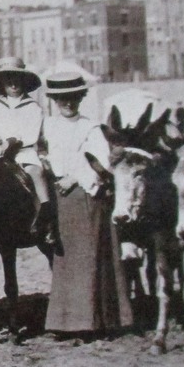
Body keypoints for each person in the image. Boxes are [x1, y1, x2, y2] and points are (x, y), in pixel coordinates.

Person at [41, 69, 132, 336]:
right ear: (54, 102)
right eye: (61, 100)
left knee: (88, 257)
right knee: (65, 258)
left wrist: (74, 178)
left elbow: (101, 163)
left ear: (80, 98)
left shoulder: (90, 127)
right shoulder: (49, 126)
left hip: (86, 197)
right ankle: (64, 322)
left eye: (72, 98)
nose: (67, 104)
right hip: (61, 198)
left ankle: (90, 322)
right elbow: (43, 155)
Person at [0, 56, 52, 241]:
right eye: (8, 79)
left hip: (22, 152)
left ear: (24, 81)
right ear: (2, 83)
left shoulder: (32, 107)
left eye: (17, 79)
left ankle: (45, 214)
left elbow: (31, 133)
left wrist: (11, 141)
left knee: (35, 172)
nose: (13, 84)